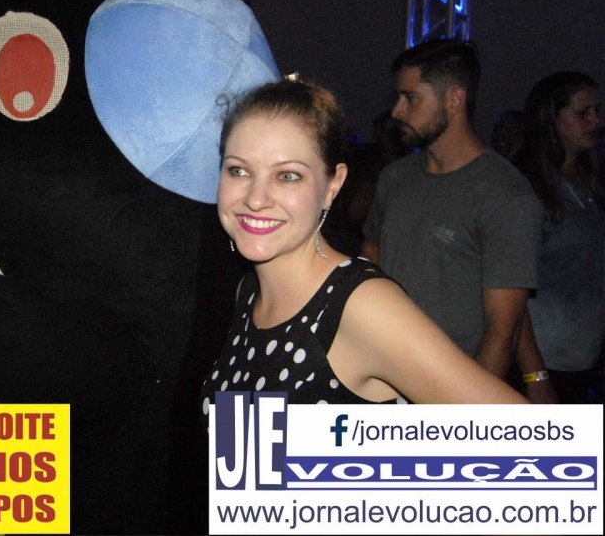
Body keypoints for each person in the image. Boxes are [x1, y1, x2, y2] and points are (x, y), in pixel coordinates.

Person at [201, 78, 526, 408]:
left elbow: (527, 433)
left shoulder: (361, 306)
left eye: (288, 176)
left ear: (332, 186)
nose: (255, 199)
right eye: (238, 171)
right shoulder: (248, 292)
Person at [361, 39, 555, 402]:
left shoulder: (505, 194)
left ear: (454, 100)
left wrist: (465, 415)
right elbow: (370, 258)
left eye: (410, 98)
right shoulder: (395, 177)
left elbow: (503, 327)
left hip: (450, 386)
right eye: (398, 98)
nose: (397, 111)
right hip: (380, 378)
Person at [513, 71, 604, 403]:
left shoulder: (591, 183)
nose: (595, 121)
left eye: (597, 111)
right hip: (545, 360)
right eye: (583, 113)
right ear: (551, 120)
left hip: (585, 356)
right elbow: (511, 290)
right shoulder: (530, 191)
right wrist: (535, 375)